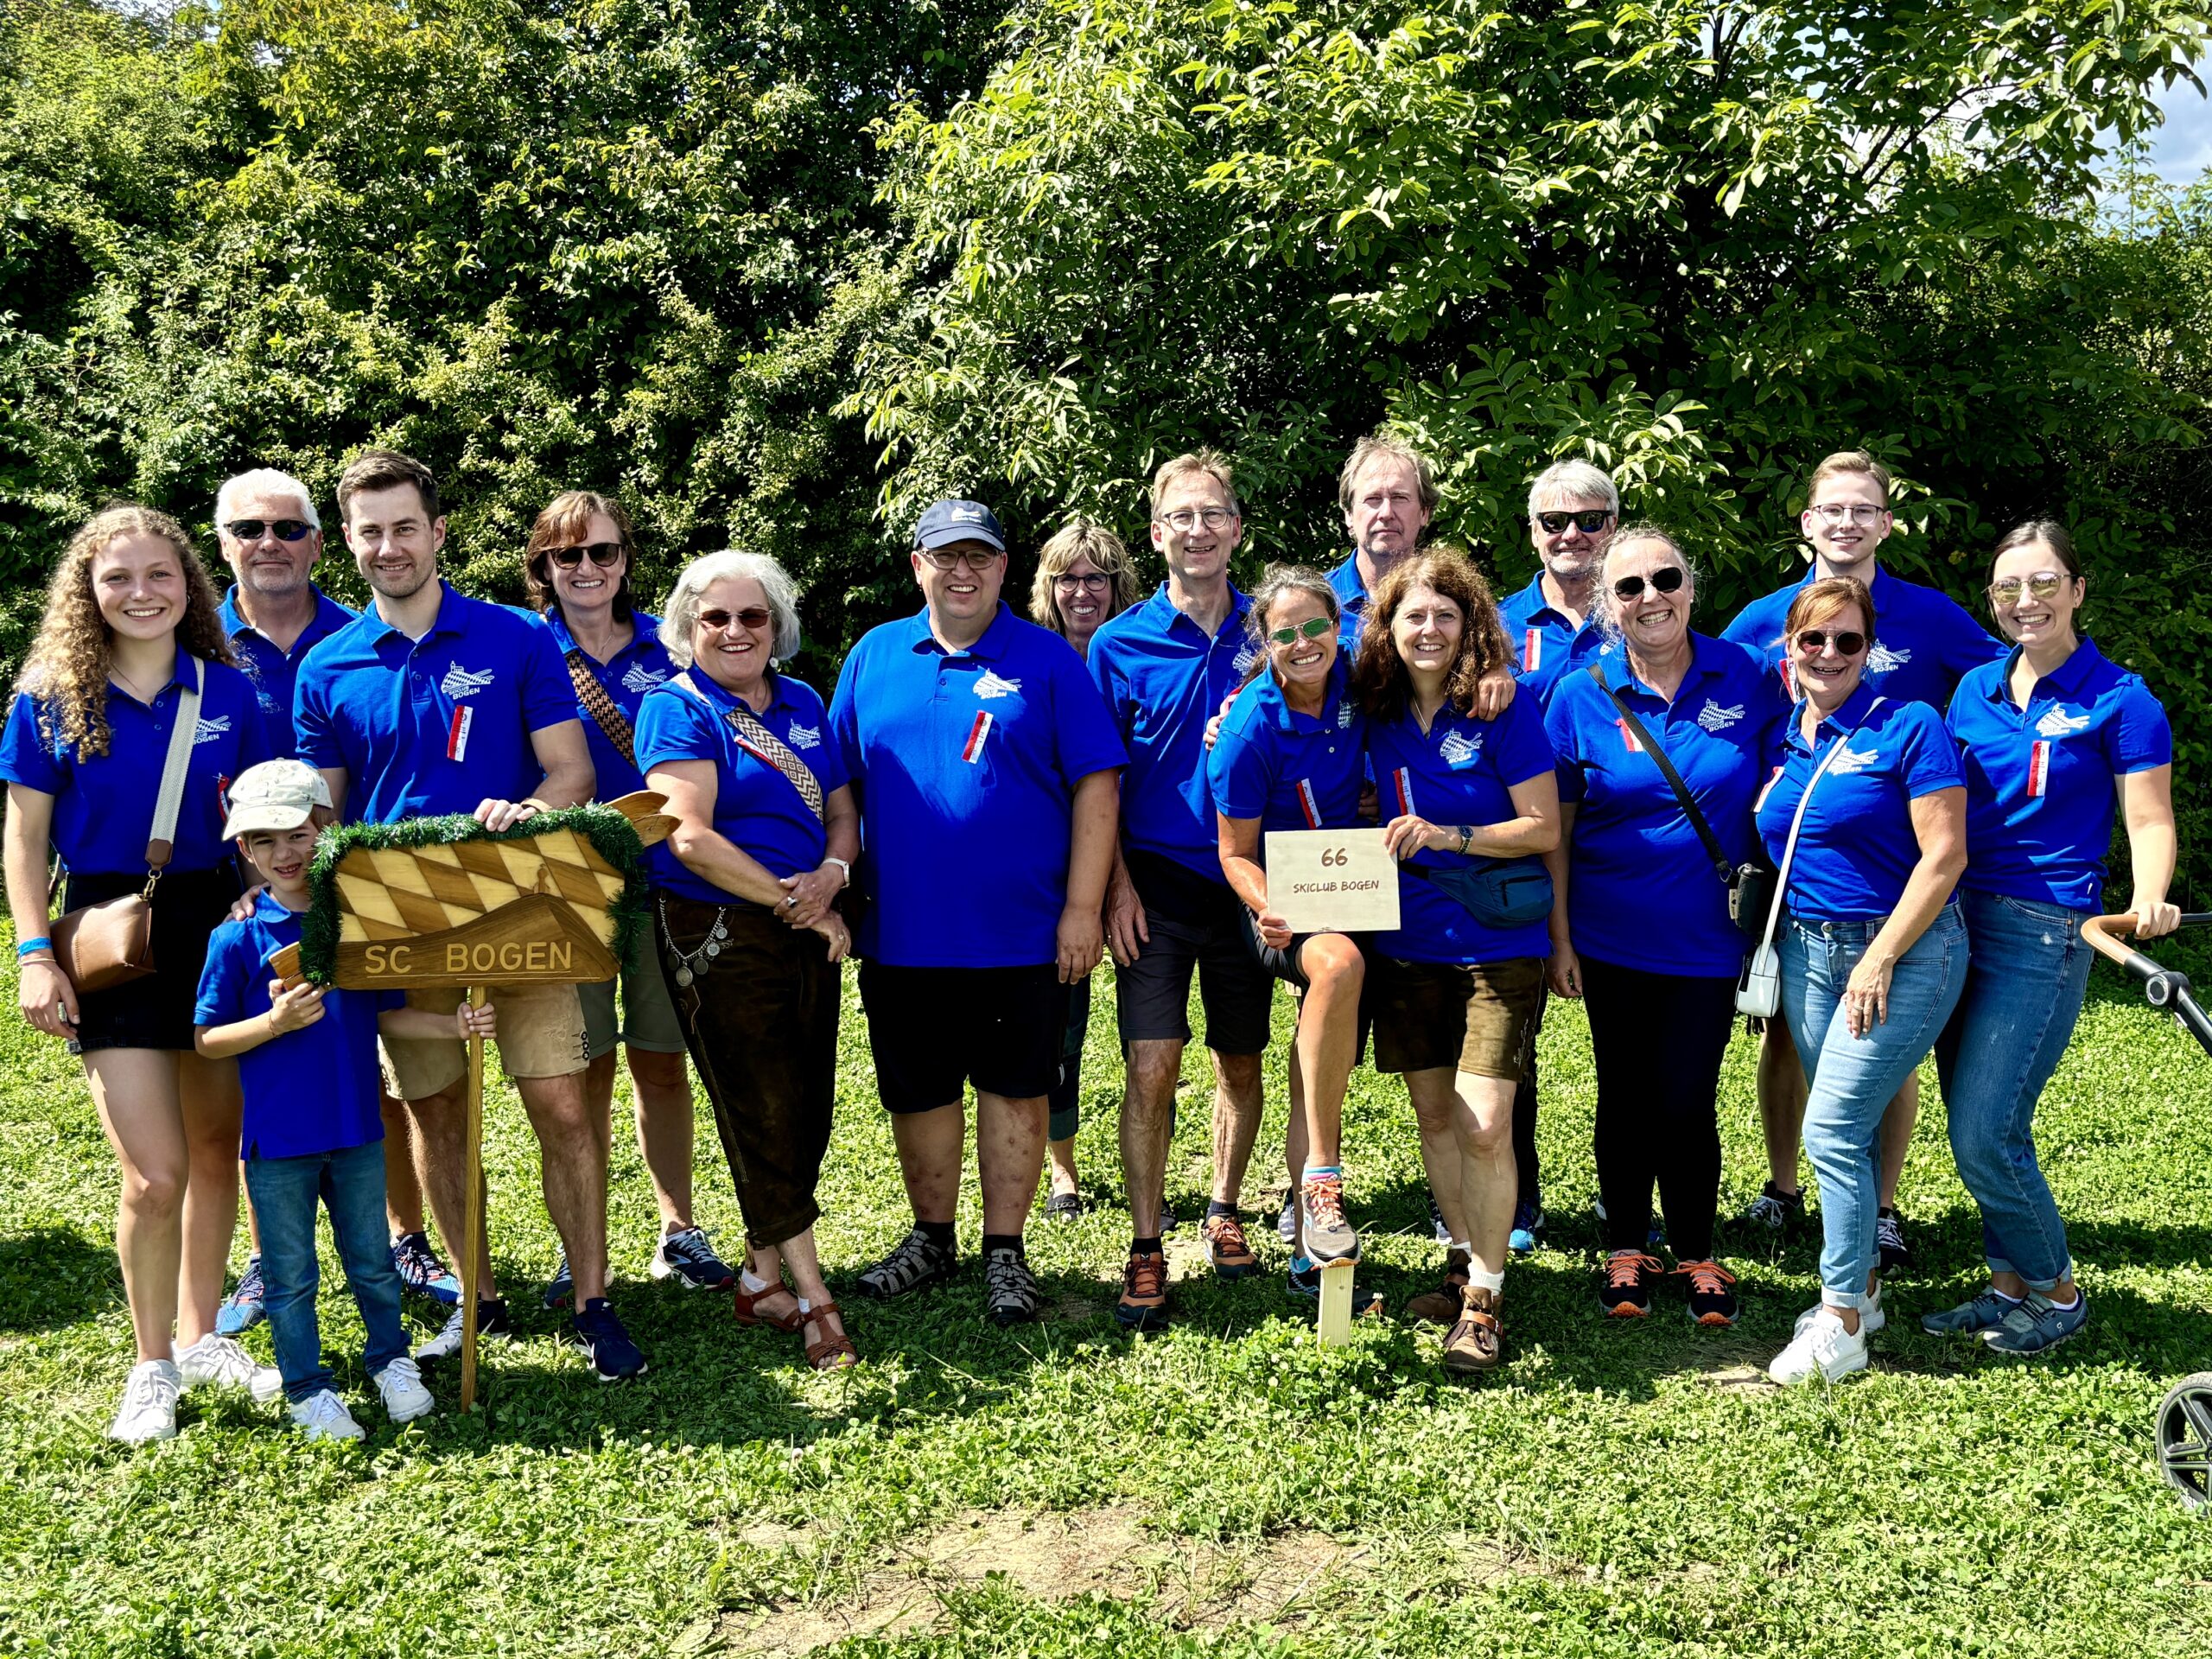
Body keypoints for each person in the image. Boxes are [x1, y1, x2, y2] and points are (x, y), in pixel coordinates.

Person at [292, 449, 646, 1381]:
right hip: (400, 924)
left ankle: (592, 1301)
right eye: (370, 532)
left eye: (405, 526)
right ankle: (476, 1296)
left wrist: (530, 808)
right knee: (438, 1116)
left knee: (563, 1106)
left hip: (521, 904)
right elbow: (326, 816)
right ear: (350, 546)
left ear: (439, 531)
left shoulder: (512, 638)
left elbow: (568, 771)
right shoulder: (326, 668)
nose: (389, 546)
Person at [2, 504, 279, 1442]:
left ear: (188, 584)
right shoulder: (48, 697)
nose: (140, 593)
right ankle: (151, 1364)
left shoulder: (231, 693)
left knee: (215, 1153)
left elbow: (259, 828)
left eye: (159, 574)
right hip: (108, 933)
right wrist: (35, 954)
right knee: (154, 1177)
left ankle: (204, 1337)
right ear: (87, 592)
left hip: (216, 922)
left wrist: (265, 913)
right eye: (116, 579)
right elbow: (26, 838)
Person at [830, 499, 1124, 1325]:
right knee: (917, 1093)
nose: (963, 572)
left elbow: (1098, 784)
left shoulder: (1049, 662)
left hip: (1024, 930)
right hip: (902, 930)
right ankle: (932, 1236)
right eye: (945, 556)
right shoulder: (874, 654)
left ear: (1003, 568)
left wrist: (1082, 908)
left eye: (980, 558)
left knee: (1015, 1088)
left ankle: (1006, 1251)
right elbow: (838, 784)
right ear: (917, 565)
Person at [1722, 450, 2002, 1266]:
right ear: (1806, 522)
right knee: (1787, 1039)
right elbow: (1701, 683)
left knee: (1884, 1051)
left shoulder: (1932, 616)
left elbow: (2008, 681)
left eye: (1863, 510)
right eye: (1830, 510)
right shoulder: (1761, 617)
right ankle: (1782, 1189)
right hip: (1792, 877)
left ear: (1885, 522)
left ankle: (1879, 1208)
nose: (1846, 523)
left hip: (1894, 871)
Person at [207, 468, 459, 1336]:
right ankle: (260, 1256)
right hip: (246, 886)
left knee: (370, 1063)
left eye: (287, 527)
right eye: (247, 529)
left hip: (348, 884)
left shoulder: (361, 637)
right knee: (263, 1068)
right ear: (224, 545)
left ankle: (403, 1236)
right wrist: (252, 886)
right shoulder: (202, 646)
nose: (267, 543)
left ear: (320, 544)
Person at [1929, 522, 2177, 1355]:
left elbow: (2149, 817)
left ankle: (2058, 1293)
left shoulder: (2122, 698)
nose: (2025, 601)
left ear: (2076, 588)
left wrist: (2147, 900)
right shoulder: (1973, 691)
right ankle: (2009, 1286)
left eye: (2043, 583)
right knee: (1992, 1123)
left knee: (1983, 1130)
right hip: (1959, 924)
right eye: (2008, 589)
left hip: (2046, 934)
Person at [1543, 526, 1786, 1325]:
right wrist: (1561, 937)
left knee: (1686, 1097)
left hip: (1710, 942)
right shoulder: (1580, 693)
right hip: (1609, 938)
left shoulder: (1748, 676)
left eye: (1666, 578)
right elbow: (1557, 832)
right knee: (1624, 1094)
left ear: (1691, 586)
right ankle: (1623, 1245)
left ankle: (1695, 1249)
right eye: (1629, 587)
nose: (1651, 597)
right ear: (1607, 605)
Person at [192, 760, 474, 1439]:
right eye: (263, 842)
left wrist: (451, 1024)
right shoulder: (235, 938)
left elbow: (386, 1014)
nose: (283, 854)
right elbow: (206, 1039)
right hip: (277, 1143)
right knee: (290, 1278)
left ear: (327, 832)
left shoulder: (354, 927)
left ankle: (390, 1362)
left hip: (356, 1133)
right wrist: (272, 1024)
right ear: (244, 851)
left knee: (373, 1263)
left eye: (296, 834)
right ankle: (308, 1389)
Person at [637, 550, 861, 1370]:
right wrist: (790, 901)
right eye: (717, 618)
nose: (736, 632)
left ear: (778, 627)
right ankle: (813, 1297)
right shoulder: (676, 709)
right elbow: (687, 835)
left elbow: (841, 809)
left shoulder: (802, 700)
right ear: (689, 628)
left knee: (806, 1102)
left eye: (754, 617)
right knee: (762, 1103)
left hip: (805, 915)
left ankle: (760, 1277)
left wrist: (831, 878)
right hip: (719, 925)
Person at [521, 491, 734, 1298]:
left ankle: (678, 1228)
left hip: (663, 884)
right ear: (543, 566)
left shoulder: (674, 644)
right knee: (584, 1074)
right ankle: (589, 1247)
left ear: (625, 560)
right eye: (567, 556)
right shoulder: (521, 648)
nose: (586, 570)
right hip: (564, 891)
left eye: (602, 553)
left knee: (662, 1063)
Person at [1351, 548, 1558, 1373]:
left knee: (1485, 1123)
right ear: (1389, 629)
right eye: (1412, 617)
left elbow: (1542, 826)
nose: (1428, 629)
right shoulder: (1371, 708)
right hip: (1404, 948)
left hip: (1496, 951)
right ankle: (1464, 1257)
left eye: (1444, 614)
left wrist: (1449, 836)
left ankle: (1485, 1299)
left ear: (1469, 623)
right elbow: (1286, 698)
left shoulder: (1502, 708)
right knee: (1436, 1119)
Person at [1758, 577, 1968, 1385]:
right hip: (1811, 951)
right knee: (1837, 1117)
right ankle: (1866, 1289)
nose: (1831, 655)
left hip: (1905, 952)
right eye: (1815, 640)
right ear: (1792, 651)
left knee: (1833, 1130)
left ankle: (1842, 1321)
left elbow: (1944, 856)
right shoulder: (1789, 737)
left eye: (1849, 642)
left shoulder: (1910, 725)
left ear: (1870, 651)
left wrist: (1880, 955)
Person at [1088, 454, 1277, 1330]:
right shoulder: (1117, 644)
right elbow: (1098, 782)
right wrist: (1115, 887)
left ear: (1236, 529)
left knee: (1239, 1059)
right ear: (1156, 535)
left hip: (1251, 880)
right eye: (1180, 518)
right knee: (1151, 1065)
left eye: (1213, 515)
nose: (1197, 531)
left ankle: (1225, 1207)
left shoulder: (1278, 629)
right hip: (1156, 883)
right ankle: (1146, 1241)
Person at [1208, 566, 1370, 1290]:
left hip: (1368, 888)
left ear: (1339, 627)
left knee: (1319, 1063)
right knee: (1334, 967)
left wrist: (1494, 672)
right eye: (1285, 634)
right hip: (1284, 903)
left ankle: (1311, 1239)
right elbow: (1233, 854)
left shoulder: (1368, 685)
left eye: (1316, 628)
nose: (1304, 644)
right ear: (1265, 642)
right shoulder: (1246, 725)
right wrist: (1267, 904)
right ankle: (1323, 1179)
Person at [1493, 459, 1618, 1255]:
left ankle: (1626, 1203)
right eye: (1553, 522)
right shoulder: (1497, 626)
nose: (1571, 535)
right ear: (1532, 532)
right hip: (1518, 856)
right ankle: (1515, 1198)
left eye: (1590, 520)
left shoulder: (1647, 608)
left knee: (1628, 1042)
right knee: (1511, 1040)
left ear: (1615, 525)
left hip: (1622, 861)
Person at [1027, 520, 1144, 1224]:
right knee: (1059, 1026)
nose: (1082, 591)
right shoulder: (1028, 660)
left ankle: (1146, 1153)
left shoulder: (1132, 653)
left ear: (1117, 585)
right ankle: (1062, 1168)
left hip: (1141, 864)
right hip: (1053, 873)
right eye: (1067, 578)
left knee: (1149, 1029)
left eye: (1095, 577)